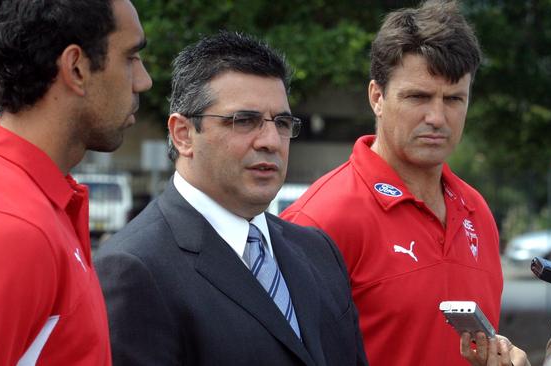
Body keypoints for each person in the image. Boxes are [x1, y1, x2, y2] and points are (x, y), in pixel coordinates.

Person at [94, 31, 368, 366]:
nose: (270, 140)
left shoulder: (317, 250)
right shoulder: (134, 269)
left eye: (281, 122)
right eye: (244, 121)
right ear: (183, 135)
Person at [0, 0, 151, 364]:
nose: (143, 81)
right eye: (130, 58)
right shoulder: (4, 224)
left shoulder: (11, 195)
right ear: (76, 68)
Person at [281, 1, 502, 365]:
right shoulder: (319, 220)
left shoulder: (477, 211)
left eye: (454, 99)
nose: (437, 117)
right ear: (377, 97)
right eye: (418, 96)